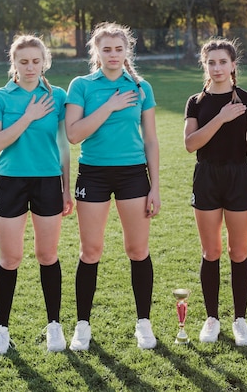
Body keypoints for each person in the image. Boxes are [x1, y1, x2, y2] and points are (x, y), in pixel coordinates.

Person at [65, 22, 160, 351]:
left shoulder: (141, 86)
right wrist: (109, 106)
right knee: (90, 251)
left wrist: (156, 187)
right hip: (92, 173)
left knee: (137, 250)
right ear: (96, 52)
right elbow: (74, 134)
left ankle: (143, 323)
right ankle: (82, 326)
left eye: (119, 49)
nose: (113, 55)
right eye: (106, 49)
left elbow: (150, 140)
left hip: (134, 174)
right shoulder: (82, 86)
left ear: (127, 51)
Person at [0, 35, 73, 356]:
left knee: (47, 255)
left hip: (48, 182)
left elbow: (63, 145)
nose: (30, 67)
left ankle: (54, 326)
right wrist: (28, 116)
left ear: (44, 61)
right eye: (23, 61)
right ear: (14, 63)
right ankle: (2, 330)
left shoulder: (57, 97)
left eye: (36, 61)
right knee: (10, 259)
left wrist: (66, 186)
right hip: (10, 182)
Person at [184, 38, 247, 346]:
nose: (217, 68)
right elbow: (191, 144)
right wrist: (220, 118)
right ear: (205, 66)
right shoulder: (196, 102)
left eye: (222, 62)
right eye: (211, 62)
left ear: (233, 65)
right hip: (206, 176)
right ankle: (212, 318)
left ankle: (240, 320)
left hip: (239, 176)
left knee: (238, 252)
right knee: (211, 252)